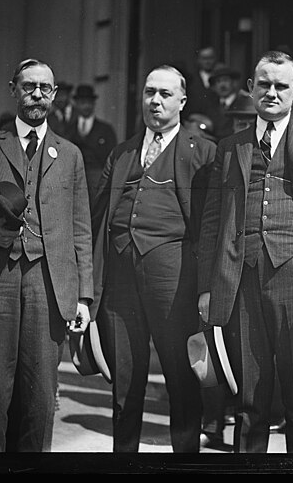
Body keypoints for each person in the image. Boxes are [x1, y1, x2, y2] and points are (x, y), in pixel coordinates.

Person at [197, 50, 293, 453]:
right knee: (249, 397)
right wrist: (208, 286)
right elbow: (212, 221)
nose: (272, 92)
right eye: (264, 84)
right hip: (241, 277)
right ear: (250, 89)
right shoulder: (230, 146)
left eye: (281, 86)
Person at [0, 58, 94, 452]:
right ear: (13, 89)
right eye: (28, 86)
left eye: (45, 88)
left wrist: (83, 295)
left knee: (41, 397)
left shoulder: (71, 155)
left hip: (48, 284)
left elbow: (81, 229)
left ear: (54, 94)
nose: (36, 95)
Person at [91, 65, 216, 452]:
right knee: (125, 384)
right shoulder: (123, 152)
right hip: (121, 283)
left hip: (174, 282)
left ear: (182, 100)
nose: (155, 101)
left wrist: (207, 287)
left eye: (164, 94)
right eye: (149, 92)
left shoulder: (203, 151)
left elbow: (212, 227)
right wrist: (92, 290)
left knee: (181, 381)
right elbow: (99, 222)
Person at [65, 84, 118, 201]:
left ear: (94, 104)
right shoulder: (68, 129)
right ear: (76, 104)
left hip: (98, 180)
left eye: (89, 102)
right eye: (82, 102)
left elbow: (113, 159)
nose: (86, 106)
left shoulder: (106, 130)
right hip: (74, 179)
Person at [205, 64, 252, 140]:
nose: (222, 85)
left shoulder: (244, 101)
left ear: (234, 83)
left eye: (225, 80)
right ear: (213, 87)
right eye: (218, 81)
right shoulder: (211, 104)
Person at [184, 45, 219, 118]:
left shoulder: (221, 78)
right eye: (204, 58)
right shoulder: (191, 80)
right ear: (198, 60)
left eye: (210, 58)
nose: (207, 62)